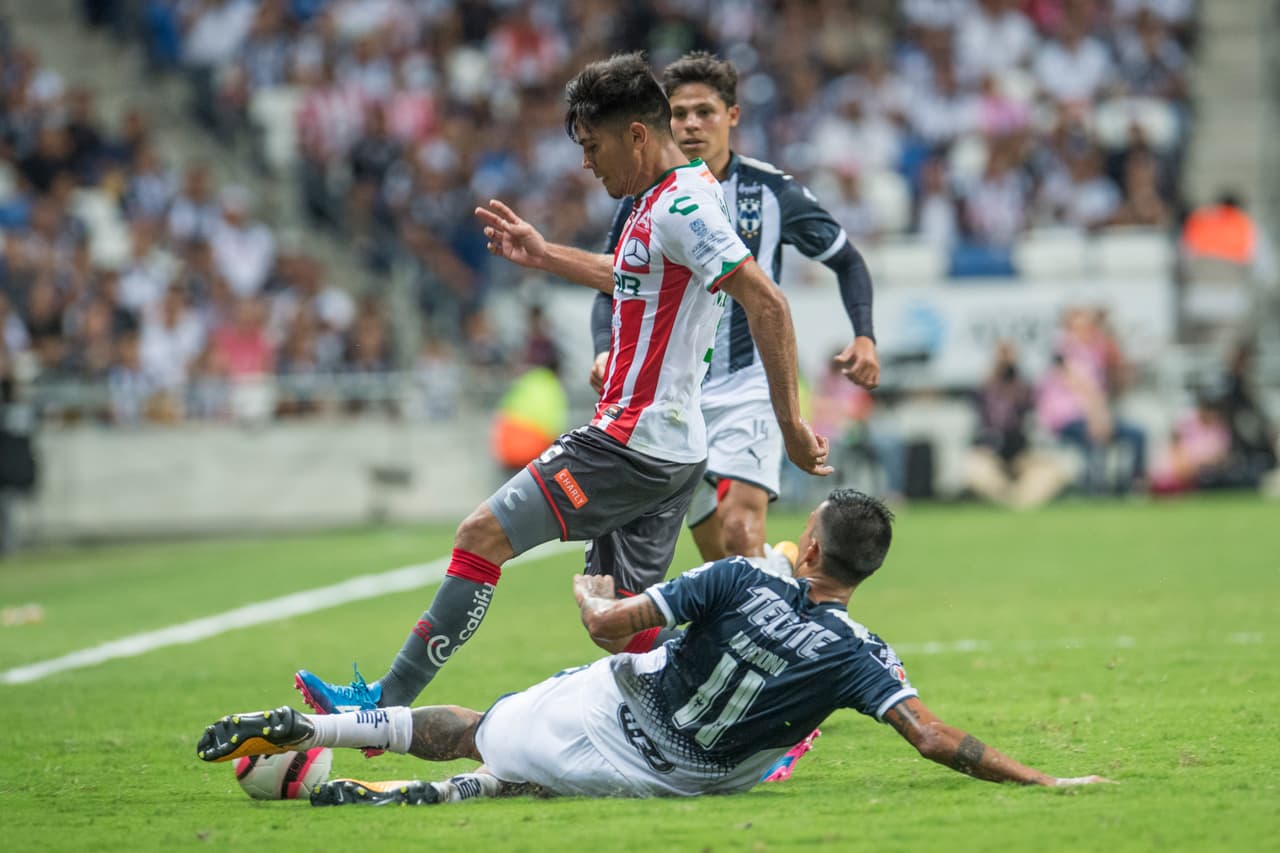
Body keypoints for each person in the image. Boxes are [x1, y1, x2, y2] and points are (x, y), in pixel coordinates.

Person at [294, 53, 830, 725]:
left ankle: (380, 706)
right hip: (665, 449)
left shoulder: (687, 203)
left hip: (631, 443)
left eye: (592, 145)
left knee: (481, 533)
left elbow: (768, 302)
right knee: (617, 623)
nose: (585, 163)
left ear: (636, 134)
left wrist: (788, 422)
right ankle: (764, 700)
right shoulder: (665, 197)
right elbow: (631, 273)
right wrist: (546, 254)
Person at [198, 490, 1111, 804]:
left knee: (488, 729)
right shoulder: (863, 650)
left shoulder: (743, 576)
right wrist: (1044, 781)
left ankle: (319, 730)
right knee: (529, 775)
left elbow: (610, 626)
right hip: (687, 780)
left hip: (620, 707)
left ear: (817, 546)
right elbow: (933, 737)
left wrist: (590, 590)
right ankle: (379, 787)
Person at [585, 51, 880, 569]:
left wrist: (864, 335)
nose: (691, 124)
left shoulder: (771, 192)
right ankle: (781, 569)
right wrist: (604, 349)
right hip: (675, 392)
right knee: (721, 556)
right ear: (662, 121)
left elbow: (848, 260)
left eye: (705, 111)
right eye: (679, 113)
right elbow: (612, 282)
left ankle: (762, 617)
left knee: (742, 529)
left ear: (733, 116)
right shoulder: (643, 197)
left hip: (748, 387)